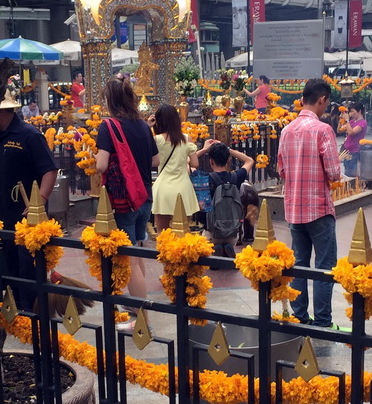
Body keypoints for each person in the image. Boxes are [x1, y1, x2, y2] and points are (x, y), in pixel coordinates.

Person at [0, 84, 57, 305]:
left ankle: (32, 317)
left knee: (28, 269)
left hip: (28, 217)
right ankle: (16, 313)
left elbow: (49, 170)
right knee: (9, 267)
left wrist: (41, 202)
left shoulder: (29, 135)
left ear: (0, 110)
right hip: (4, 214)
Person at [276, 78, 341, 328]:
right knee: (324, 267)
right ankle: (323, 319)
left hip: (294, 209)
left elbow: (281, 170)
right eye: (327, 103)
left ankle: (299, 316)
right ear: (322, 99)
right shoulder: (323, 130)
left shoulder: (286, 130)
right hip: (319, 209)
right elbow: (334, 172)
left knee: (299, 265)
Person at [95, 76, 158, 317]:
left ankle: (140, 309)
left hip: (125, 200)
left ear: (110, 100)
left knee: (129, 257)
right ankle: (138, 300)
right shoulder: (143, 125)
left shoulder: (109, 126)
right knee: (138, 250)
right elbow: (155, 160)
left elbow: (101, 166)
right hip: (145, 196)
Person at [151, 104, 204, 233]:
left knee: (162, 233)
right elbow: (195, 164)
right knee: (183, 232)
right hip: (183, 188)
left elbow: (151, 161)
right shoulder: (186, 138)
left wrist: (149, 126)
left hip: (163, 188)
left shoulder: (156, 139)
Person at [205, 141, 254, 258]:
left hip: (212, 230)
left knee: (206, 241)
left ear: (210, 161)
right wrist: (228, 150)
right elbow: (249, 161)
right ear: (228, 160)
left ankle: (214, 249)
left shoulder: (205, 178)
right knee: (229, 241)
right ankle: (227, 246)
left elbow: (185, 162)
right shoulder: (236, 176)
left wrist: (205, 149)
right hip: (233, 232)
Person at [342, 101, 367, 177]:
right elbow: (339, 130)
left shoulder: (362, 123)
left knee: (352, 173)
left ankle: (353, 187)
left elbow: (351, 132)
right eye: (350, 112)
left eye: (353, 111)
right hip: (346, 151)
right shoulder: (352, 121)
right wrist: (341, 120)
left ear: (359, 111)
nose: (351, 114)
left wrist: (347, 120)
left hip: (354, 151)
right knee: (347, 172)